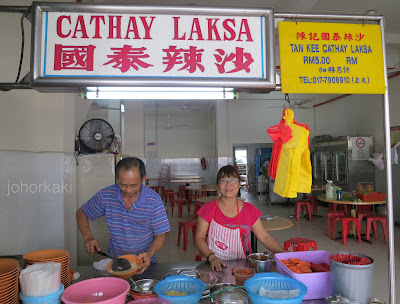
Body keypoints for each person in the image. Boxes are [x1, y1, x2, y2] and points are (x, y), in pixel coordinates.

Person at [76, 157, 170, 274]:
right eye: (123, 185)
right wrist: (88, 237)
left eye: (134, 185)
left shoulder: (153, 200)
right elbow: (81, 213)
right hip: (115, 262)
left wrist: (149, 254)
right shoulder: (106, 195)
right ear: (117, 179)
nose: (129, 190)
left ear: (143, 178)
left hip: (145, 262)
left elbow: (160, 235)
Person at [195, 165, 285, 271]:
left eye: (233, 180)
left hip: (243, 268)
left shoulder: (250, 210)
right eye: (223, 180)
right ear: (218, 185)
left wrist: (283, 254)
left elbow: (264, 236)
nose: (228, 184)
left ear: (239, 184)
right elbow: (199, 237)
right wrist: (211, 256)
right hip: (214, 266)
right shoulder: (208, 209)